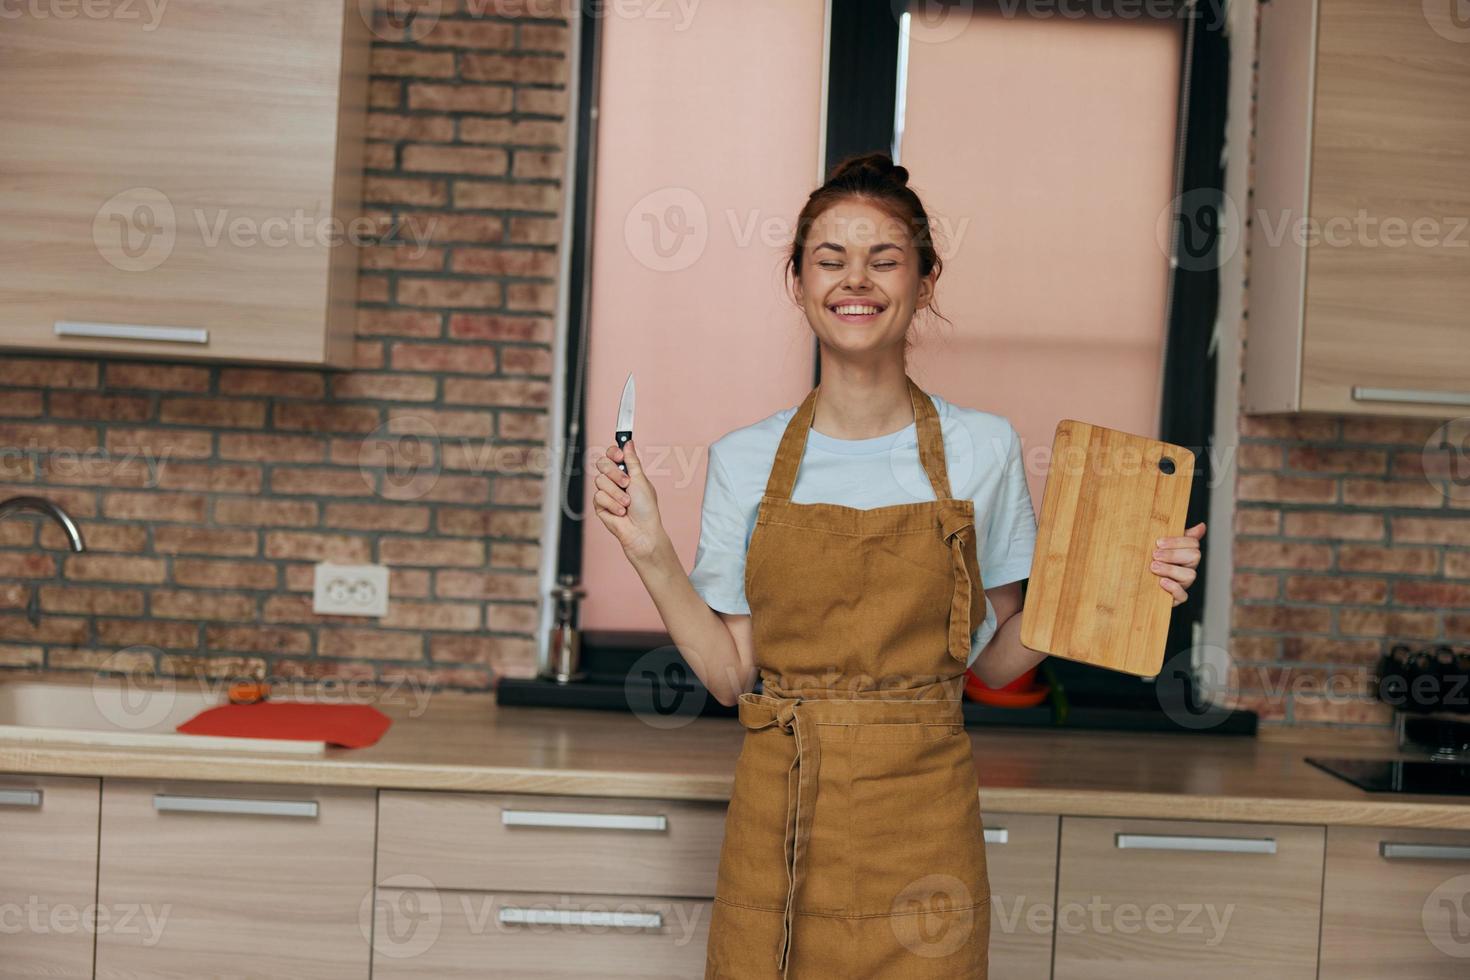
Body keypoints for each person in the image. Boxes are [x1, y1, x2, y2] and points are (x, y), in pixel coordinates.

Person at [592, 152, 1205, 979]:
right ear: (798, 281)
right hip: (782, 814)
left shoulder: (982, 448)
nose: (857, 280)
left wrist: (1119, 582)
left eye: (884, 258)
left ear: (924, 281)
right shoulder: (745, 458)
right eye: (830, 259)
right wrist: (650, 551)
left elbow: (993, 663)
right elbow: (733, 676)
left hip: (924, 819)